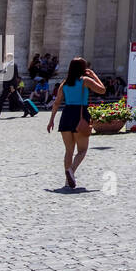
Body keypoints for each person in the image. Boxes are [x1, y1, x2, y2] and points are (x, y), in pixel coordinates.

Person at [46, 57, 105, 188]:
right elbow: (102, 90)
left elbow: (56, 103)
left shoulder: (64, 83)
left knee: (68, 150)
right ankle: (70, 171)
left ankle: (67, 181)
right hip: (80, 115)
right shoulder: (85, 81)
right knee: (82, 150)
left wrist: (51, 120)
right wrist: (94, 75)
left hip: (66, 115)